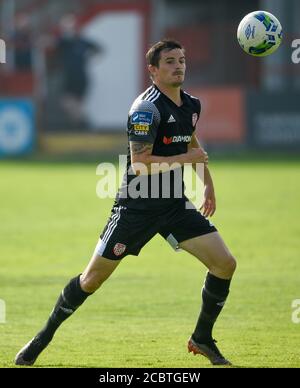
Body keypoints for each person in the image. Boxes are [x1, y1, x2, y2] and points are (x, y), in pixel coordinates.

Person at [15, 39, 236, 366]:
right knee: (91, 280)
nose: (179, 67)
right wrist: (188, 157)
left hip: (174, 205)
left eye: (182, 60)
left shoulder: (191, 104)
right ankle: (42, 337)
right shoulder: (145, 109)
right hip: (136, 207)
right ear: (153, 71)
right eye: (170, 62)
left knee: (224, 264)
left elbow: (191, 141)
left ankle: (202, 338)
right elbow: (141, 165)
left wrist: (207, 187)